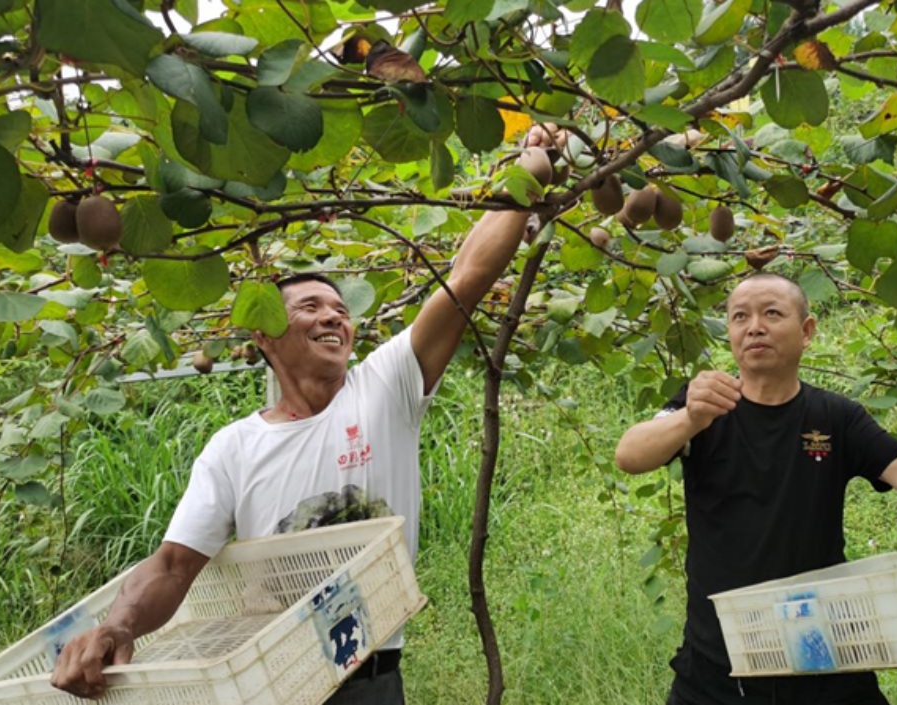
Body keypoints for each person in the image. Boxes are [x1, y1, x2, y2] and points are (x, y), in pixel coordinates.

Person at [50, 125, 566, 704]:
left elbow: (464, 280)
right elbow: (173, 565)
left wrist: (529, 171)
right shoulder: (233, 447)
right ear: (263, 333)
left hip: (367, 680)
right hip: (272, 683)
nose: (334, 318)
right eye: (310, 306)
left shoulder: (384, 387)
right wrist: (117, 627)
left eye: (342, 310)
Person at [614, 272, 897, 705]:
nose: (754, 327)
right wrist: (691, 418)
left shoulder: (835, 416)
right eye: (739, 317)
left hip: (825, 653)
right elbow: (630, 455)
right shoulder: (703, 404)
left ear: (807, 331)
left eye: (772, 313)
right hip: (719, 660)